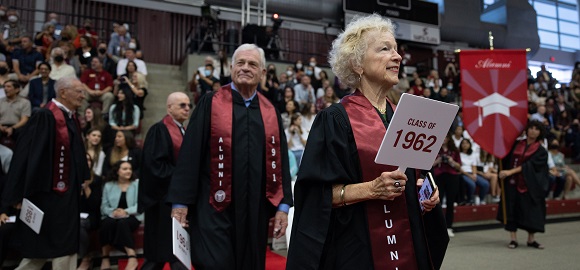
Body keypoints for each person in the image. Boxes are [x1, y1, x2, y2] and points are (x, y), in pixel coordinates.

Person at [286, 14, 448, 270]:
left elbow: (417, 177)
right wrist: (371, 189)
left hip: (409, 246)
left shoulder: (409, 116)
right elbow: (315, 196)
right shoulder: (334, 120)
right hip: (358, 248)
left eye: (396, 50)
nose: (397, 57)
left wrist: (425, 194)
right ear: (357, 64)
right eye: (385, 49)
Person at [167, 43, 293, 270]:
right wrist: (180, 202)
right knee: (215, 264)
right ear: (232, 67)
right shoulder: (211, 102)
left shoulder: (269, 111)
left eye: (252, 64)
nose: (245, 68)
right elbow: (190, 154)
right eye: (240, 63)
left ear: (262, 73)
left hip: (254, 209)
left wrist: (283, 207)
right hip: (214, 206)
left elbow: (280, 160)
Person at [0, 77, 90, 269]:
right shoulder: (45, 116)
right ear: (63, 92)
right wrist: (18, 193)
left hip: (67, 195)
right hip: (46, 195)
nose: (83, 96)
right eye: (79, 91)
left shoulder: (71, 117)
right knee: (44, 245)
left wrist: (82, 180)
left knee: (63, 243)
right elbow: (26, 157)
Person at [138, 92, 191, 270]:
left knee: (171, 252)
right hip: (162, 201)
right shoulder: (159, 130)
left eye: (189, 105)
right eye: (182, 105)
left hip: (176, 198)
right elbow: (155, 167)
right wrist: (184, 175)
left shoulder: (183, 130)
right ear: (169, 108)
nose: (187, 108)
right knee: (160, 254)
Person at [498, 120, 549, 249]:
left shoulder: (541, 151)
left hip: (530, 185)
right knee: (512, 210)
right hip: (512, 184)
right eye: (531, 128)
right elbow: (505, 157)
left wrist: (510, 172)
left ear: (540, 133)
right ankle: (513, 239)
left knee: (531, 212)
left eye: (536, 129)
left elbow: (530, 166)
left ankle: (531, 240)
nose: (533, 131)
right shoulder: (516, 144)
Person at [99, 160, 142, 270]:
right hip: (113, 216)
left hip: (132, 216)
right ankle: (105, 258)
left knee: (122, 223)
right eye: (125, 169)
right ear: (117, 171)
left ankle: (132, 258)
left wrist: (126, 211)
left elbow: (140, 204)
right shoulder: (108, 186)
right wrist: (114, 212)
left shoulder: (137, 184)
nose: (129, 171)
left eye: (130, 169)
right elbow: (103, 207)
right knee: (106, 223)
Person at [78, 153, 102, 270]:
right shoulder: (70, 179)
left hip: (91, 216)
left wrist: (86, 187)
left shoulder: (96, 180)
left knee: (79, 225)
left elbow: (95, 205)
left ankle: (85, 258)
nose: (85, 162)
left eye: (88, 160)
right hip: (72, 214)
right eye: (83, 159)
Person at [458, 138, 490, 205]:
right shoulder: (459, 154)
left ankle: (481, 199)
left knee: (485, 184)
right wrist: (470, 176)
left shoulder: (472, 154)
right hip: (463, 174)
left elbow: (474, 166)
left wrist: (474, 175)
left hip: (472, 173)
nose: (465, 145)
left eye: (466, 143)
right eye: (463, 143)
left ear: (470, 144)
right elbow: (459, 168)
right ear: (460, 145)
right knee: (472, 184)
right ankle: (469, 199)